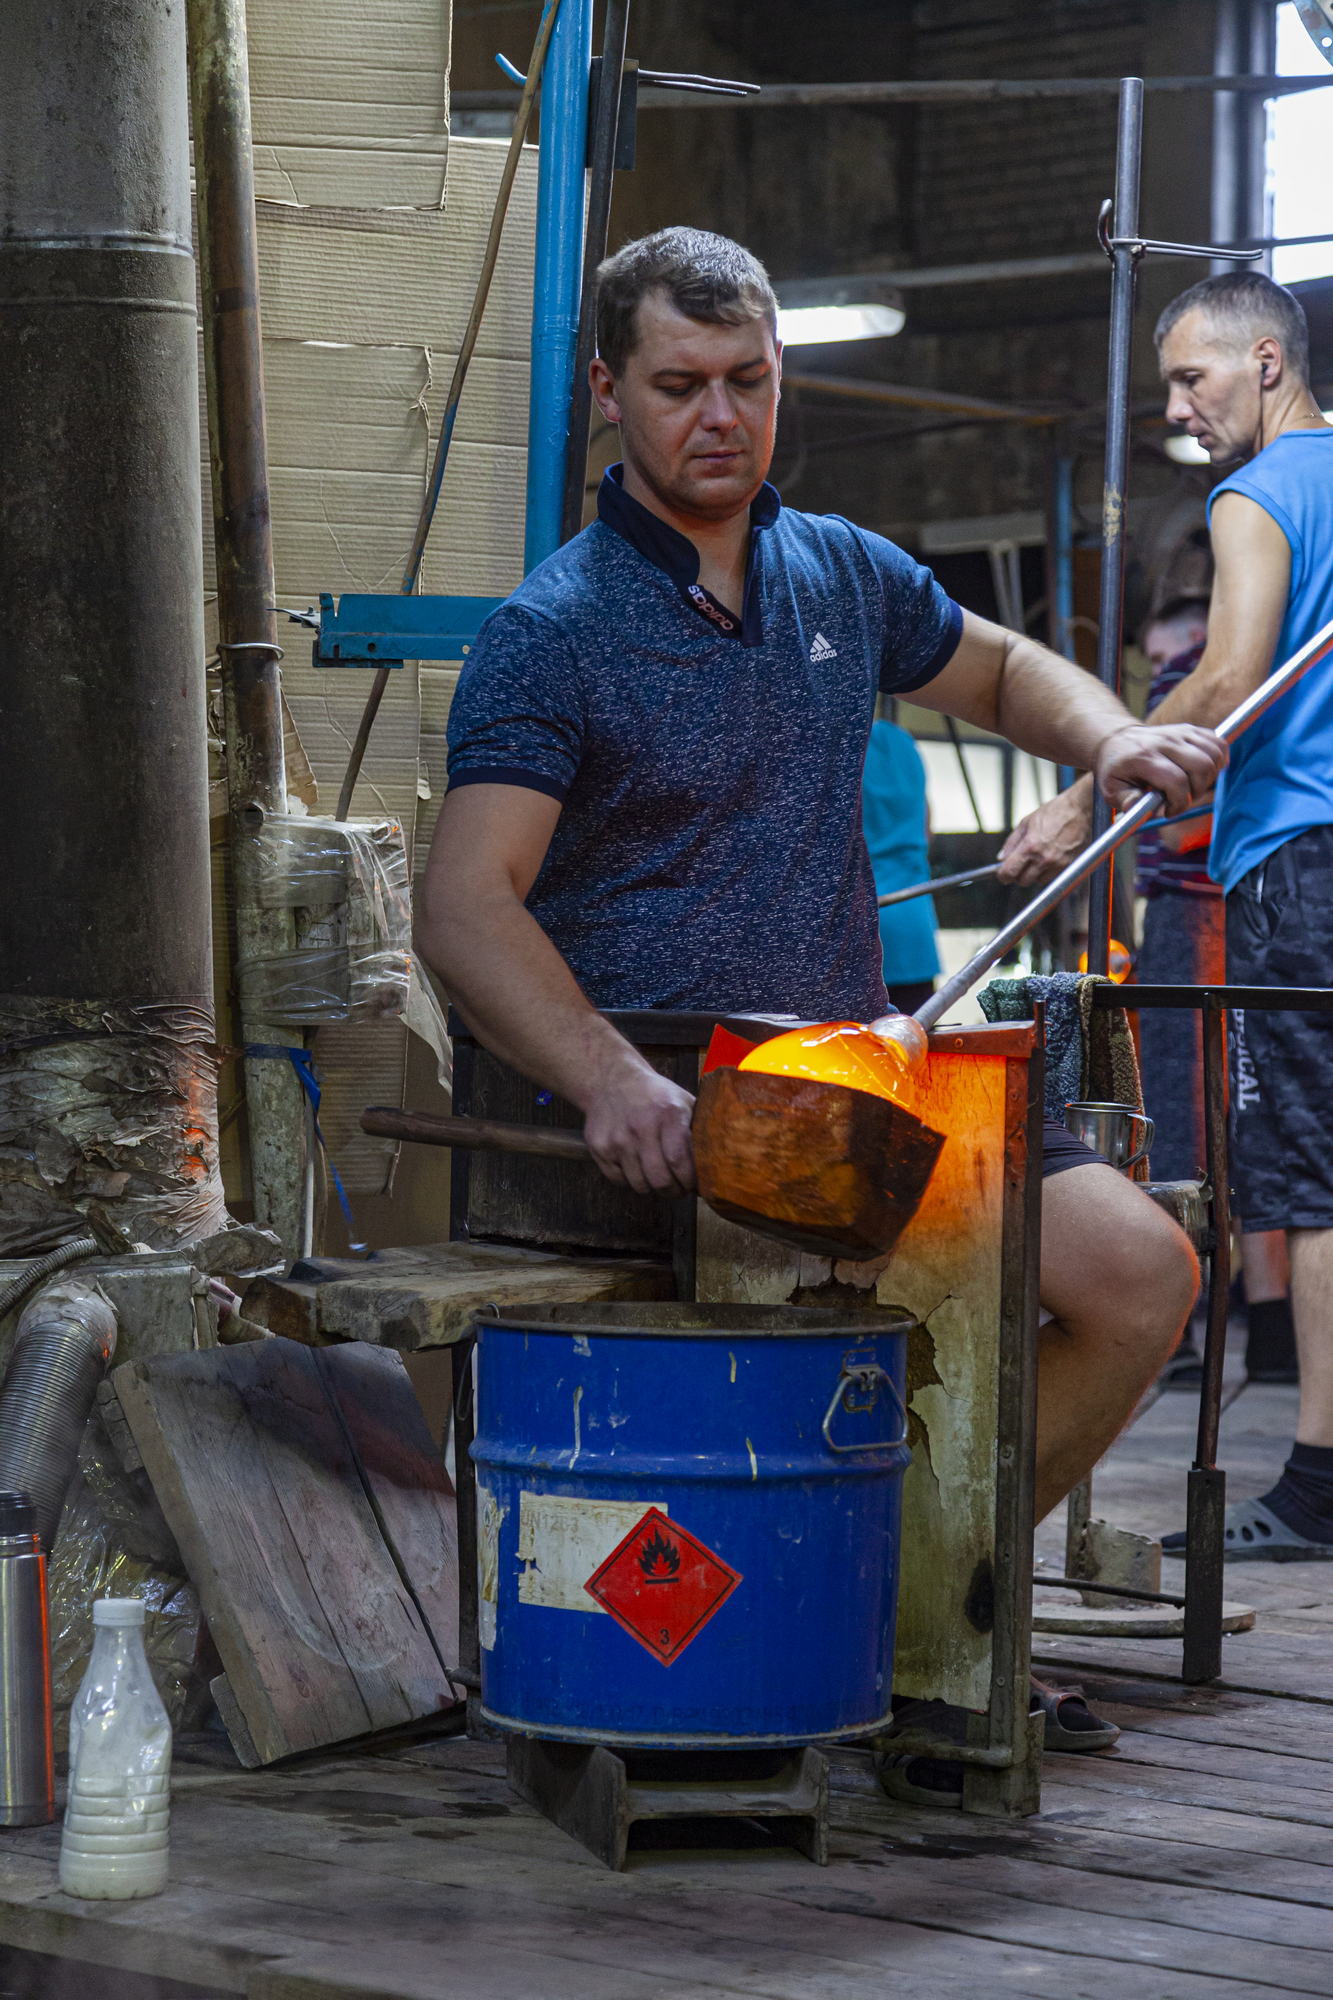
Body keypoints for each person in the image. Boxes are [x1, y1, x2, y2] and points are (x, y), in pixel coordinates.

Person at [419, 227, 1221, 1755]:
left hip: (856, 1075)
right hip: (677, 1101)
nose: (719, 416)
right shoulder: (553, 633)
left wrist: (1110, 735)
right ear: (608, 392)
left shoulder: (839, 571)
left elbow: (998, 671)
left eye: (749, 380)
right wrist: (607, 1079)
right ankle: (873, 1622)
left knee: (1139, 1273)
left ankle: (913, 1599)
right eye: (679, 386)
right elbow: (466, 904)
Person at [1001, 269, 1332, 1558]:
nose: (1179, 409)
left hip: (1299, 856)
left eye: (1191, 378)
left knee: (1310, 1178)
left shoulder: (1256, 493)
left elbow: (1232, 675)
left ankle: (1317, 1481)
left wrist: (1086, 794)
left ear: (1266, 361)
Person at [861, 717, 940, 1016]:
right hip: (914, 923)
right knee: (912, 1037)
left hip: (861, 922)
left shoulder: (839, 744)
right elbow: (926, 830)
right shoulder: (903, 741)